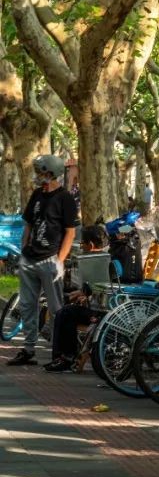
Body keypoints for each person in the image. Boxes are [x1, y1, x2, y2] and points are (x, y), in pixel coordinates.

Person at [6, 154, 79, 367]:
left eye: (41, 172)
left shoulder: (65, 198)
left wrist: (60, 261)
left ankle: (61, 354)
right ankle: (28, 350)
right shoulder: (37, 194)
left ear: (50, 173)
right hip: (30, 258)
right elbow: (29, 223)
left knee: (57, 310)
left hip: (50, 260)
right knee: (28, 306)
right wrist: (23, 249)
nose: (37, 176)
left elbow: (70, 233)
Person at [44, 224, 107, 372]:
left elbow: (97, 287)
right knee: (64, 311)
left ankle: (66, 357)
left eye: (82, 243)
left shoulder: (95, 261)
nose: (81, 246)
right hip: (95, 305)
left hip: (99, 311)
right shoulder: (104, 258)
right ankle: (62, 357)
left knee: (66, 313)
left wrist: (84, 294)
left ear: (90, 245)